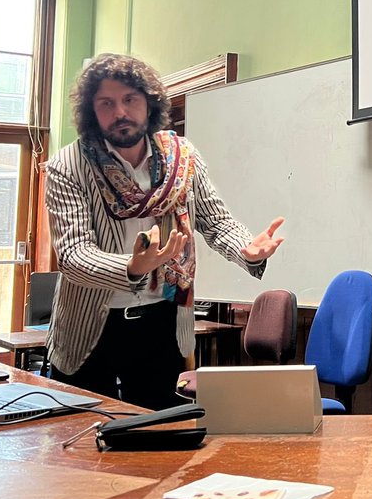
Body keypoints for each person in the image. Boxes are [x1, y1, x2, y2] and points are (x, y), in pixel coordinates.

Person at [44, 53, 284, 410]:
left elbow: (215, 220)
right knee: (80, 445)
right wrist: (133, 267)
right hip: (90, 327)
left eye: (130, 100)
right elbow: (73, 255)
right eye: (106, 103)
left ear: (149, 103)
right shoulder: (68, 165)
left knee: (159, 440)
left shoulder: (181, 157)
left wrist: (246, 249)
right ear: (91, 111)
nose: (120, 112)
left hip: (162, 323)